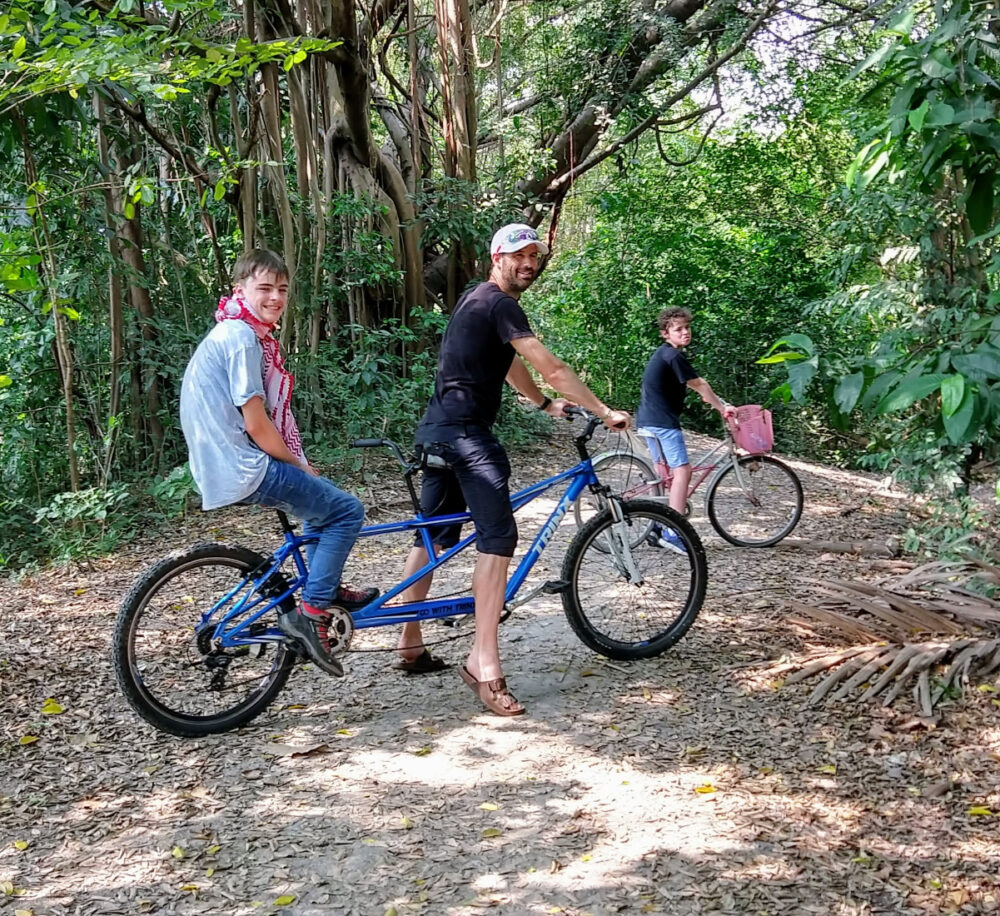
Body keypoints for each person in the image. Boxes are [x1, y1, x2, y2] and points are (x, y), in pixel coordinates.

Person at [393, 223, 631, 717]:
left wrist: (544, 405)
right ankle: (484, 663)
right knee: (498, 539)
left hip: (436, 429)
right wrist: (604, 410)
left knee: (432, 537)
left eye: (535, 258)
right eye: (519, 255)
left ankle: (410, 642)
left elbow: (506, 362)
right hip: (467, 436)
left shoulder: (475, 300)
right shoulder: (502, 303)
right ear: (497, 257)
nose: (528, 264)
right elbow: (554, 367)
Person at [179, 249, 376, 677]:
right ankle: (312, 610)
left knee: (319, 506)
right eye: (264, 288)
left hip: (224, 465)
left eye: (282, 289)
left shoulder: (233, 332)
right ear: (240, 290)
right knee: (346, 510)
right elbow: (256, 423)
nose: (275, 297)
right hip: (243, 464)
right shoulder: (240, 337)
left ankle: (322, 581)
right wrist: (298, 465)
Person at [636, 307, 736, 553]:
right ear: (665, 333)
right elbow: (700, 384)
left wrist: (717, 401)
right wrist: (723, 408)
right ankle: (673, 530)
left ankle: (656, 525)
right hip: (663, 423)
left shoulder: (665, 355)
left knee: (662, 473)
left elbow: (697, 388)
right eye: (678, 329)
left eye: (687, 327)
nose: (685, 332)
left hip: (647, 420)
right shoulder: (673, 356)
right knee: (683, 471)